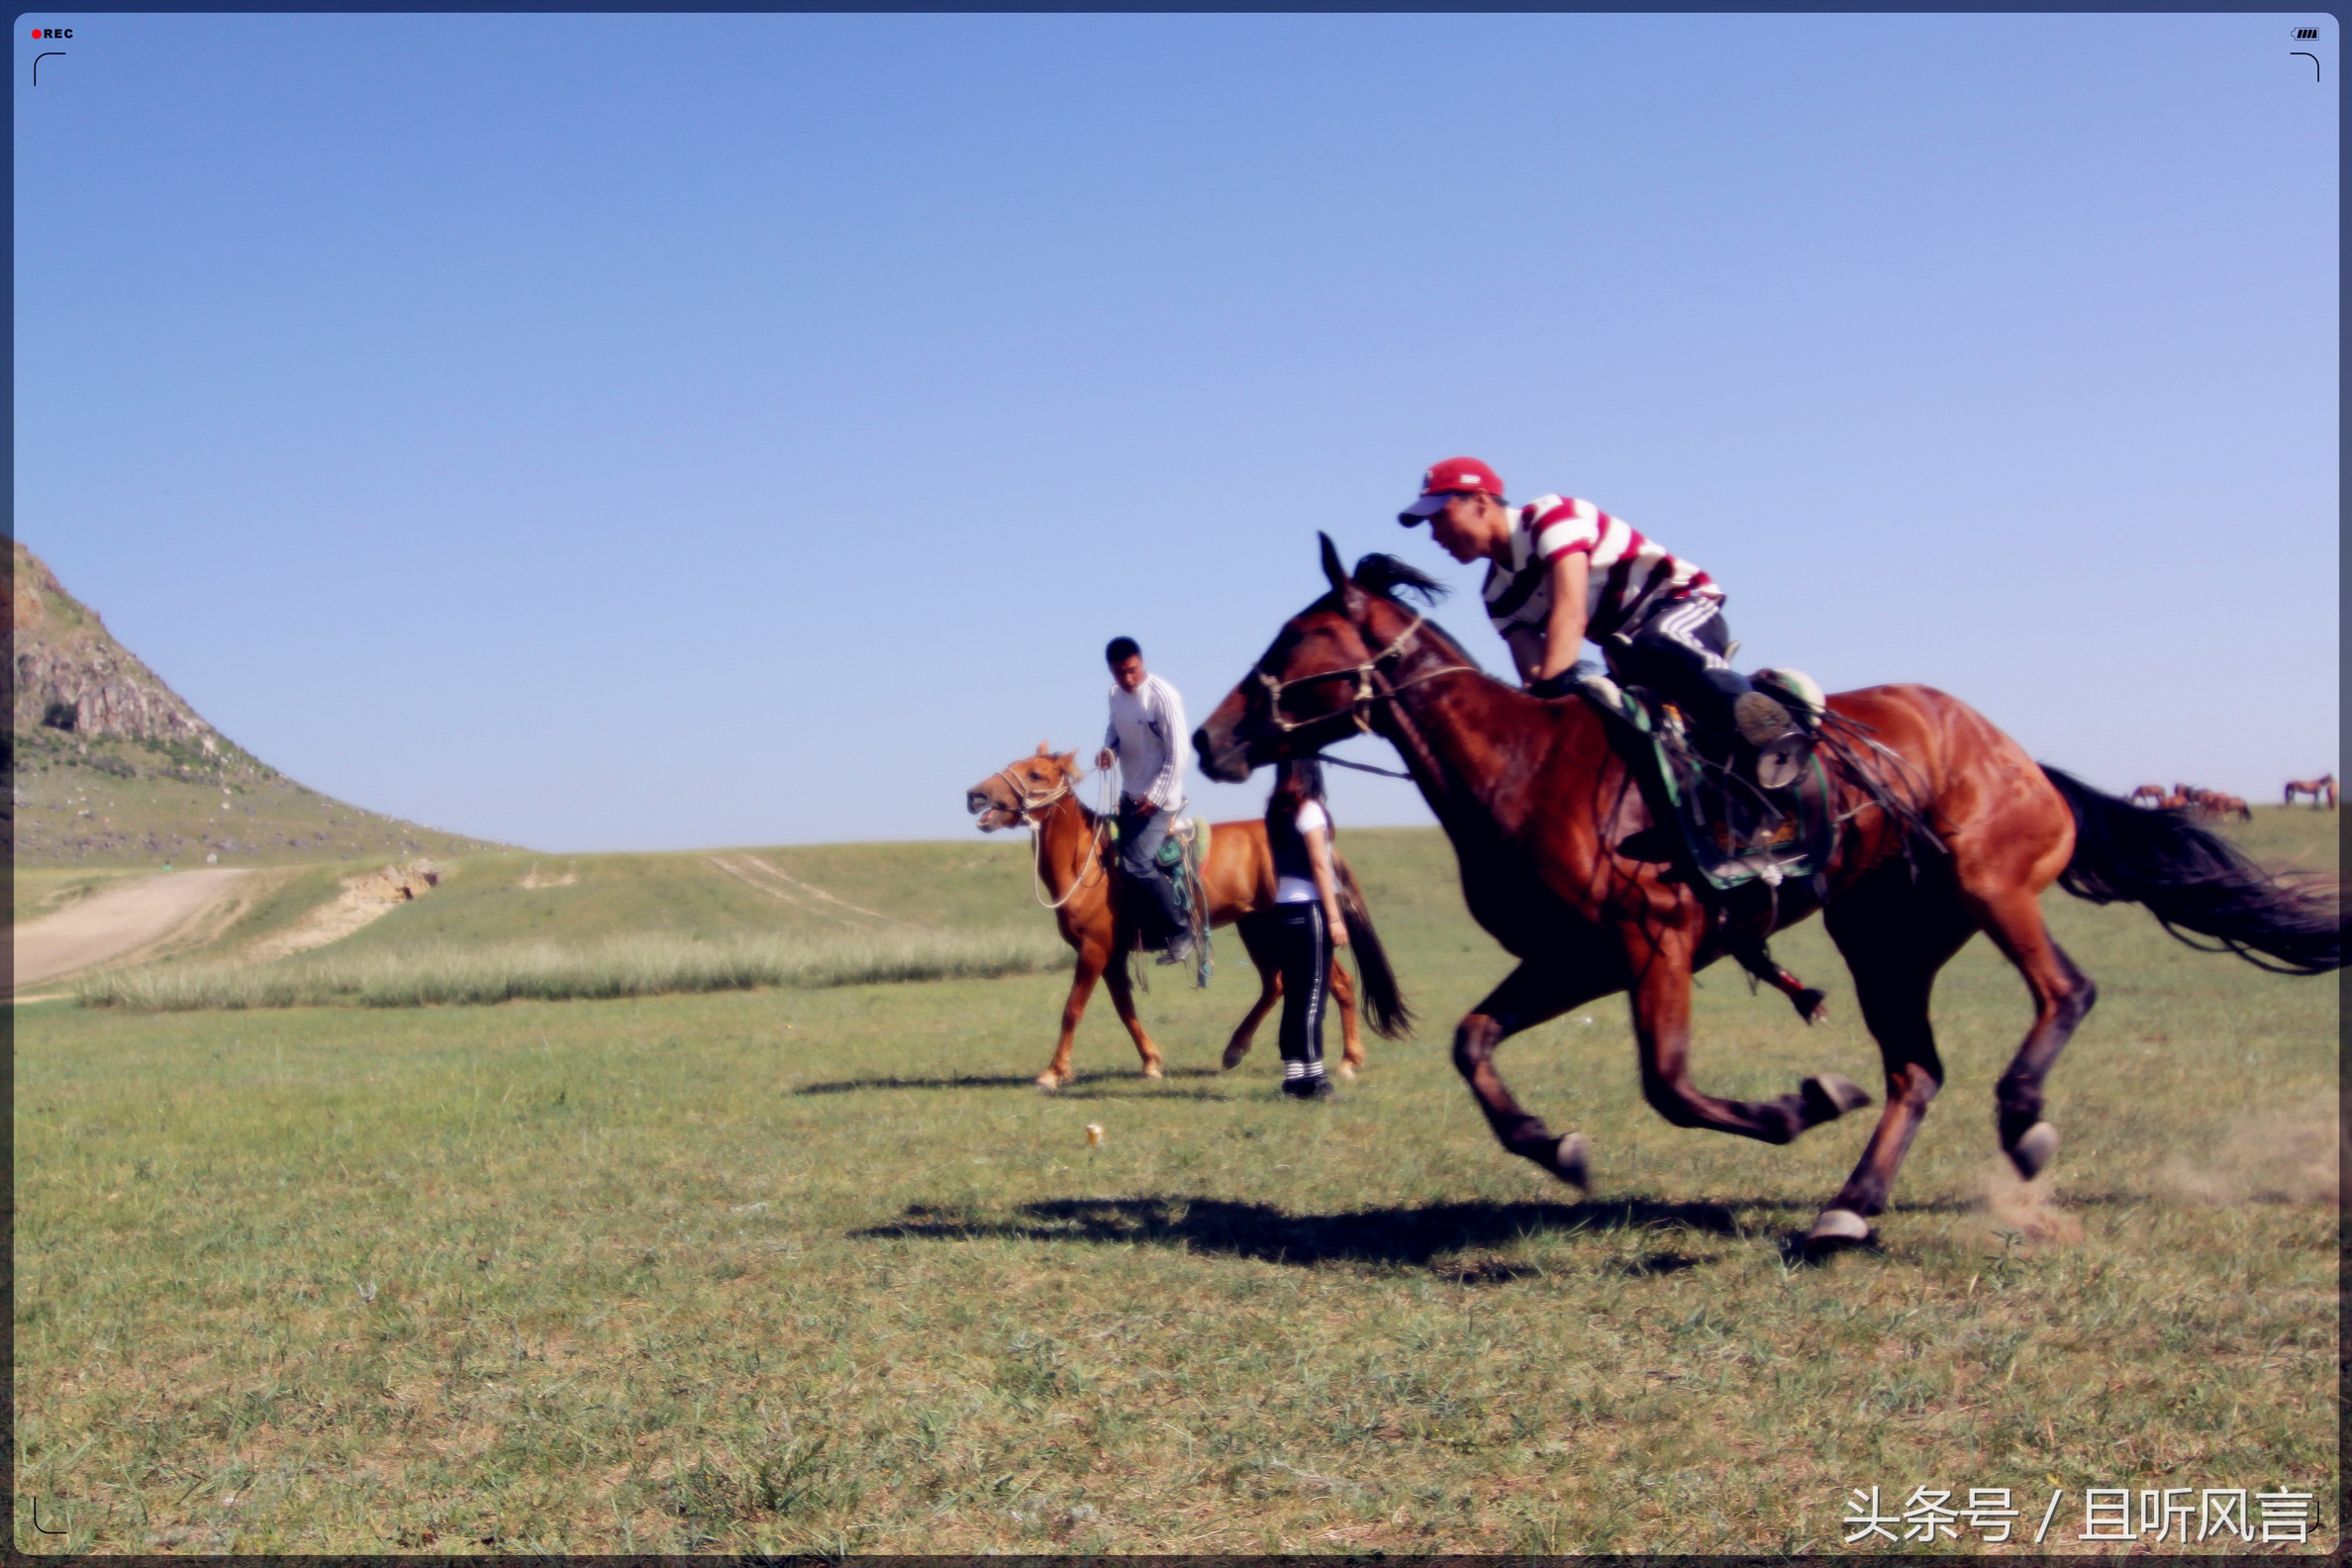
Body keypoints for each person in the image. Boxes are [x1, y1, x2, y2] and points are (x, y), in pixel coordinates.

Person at [1396, 456, 1804, 754]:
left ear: (1481, 500)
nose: (1435, 534)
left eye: (1440, 517)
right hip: (1629, 654)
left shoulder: (1550, 517)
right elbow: (1538, 673)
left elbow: (1569, 615)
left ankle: (1769, 724)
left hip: (1681, 607)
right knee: (1610, 724)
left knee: (1661, 639)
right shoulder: (1495, 595)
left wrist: (1548, 698)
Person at [1095, 636, 1194, 963]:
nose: (1127, 679)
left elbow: (1179, 754)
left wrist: (1156, 795)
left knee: (1136, 865)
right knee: (1111, 862)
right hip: (1129, 793)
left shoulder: (1163, 696)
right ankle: (1150, 933)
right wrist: (1109, 750)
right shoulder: (1114, 695)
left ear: (1142, 662)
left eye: (1132, 670)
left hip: (1159, 799)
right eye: (1119, 672)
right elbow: (1115, 728)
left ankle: (1181, 932)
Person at [1265, 757, 1348, 1100]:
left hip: (1281, 908)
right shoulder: (1310, 809)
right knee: (1313, 995)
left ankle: (1294, 1077)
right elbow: (1319, 864)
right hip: (1309, 908)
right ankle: (1316, 1080)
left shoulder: (1275, 810)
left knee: (1295, 995)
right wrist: (1334, 917)